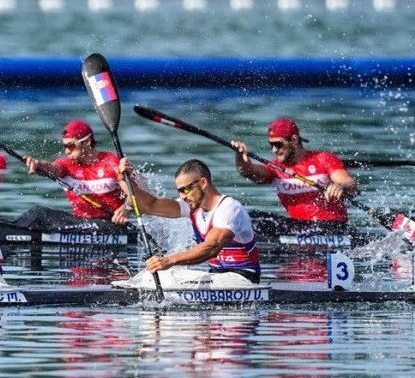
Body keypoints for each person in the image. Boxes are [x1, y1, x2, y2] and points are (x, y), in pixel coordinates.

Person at [121, 158, 260, 284]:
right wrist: (127, 179)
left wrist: (169, 260)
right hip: (218, 278)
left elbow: (211, 247)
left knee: (170, 275)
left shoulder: (229, 208)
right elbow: (149, 206)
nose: (182, 197)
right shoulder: (192, 207)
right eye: (179, 192)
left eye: (185, 189)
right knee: (159, 275)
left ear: (203, 182)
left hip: (244, 279)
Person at [231, 117, 357, 224]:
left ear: (294, 140)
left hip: (332, 227)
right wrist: (240, 157)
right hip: (298, 229)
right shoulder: (274, 168)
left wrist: (340, 186)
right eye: (271, 145)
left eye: (278, 144)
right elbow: (248, 171)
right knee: (254, 218)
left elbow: (350, 184)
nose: (274, 150)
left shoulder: (323, 159)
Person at [23, 120, 131, 225]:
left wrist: (125, 209)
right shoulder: (66, 166)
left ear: (87, 141)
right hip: (81, 223)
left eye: (71, 146)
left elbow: (134, 195)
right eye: (65, 146)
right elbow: (52, 168)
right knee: (39, 213)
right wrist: (39, 164)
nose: (67, 151)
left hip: (111, 224)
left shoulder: (112, 162)